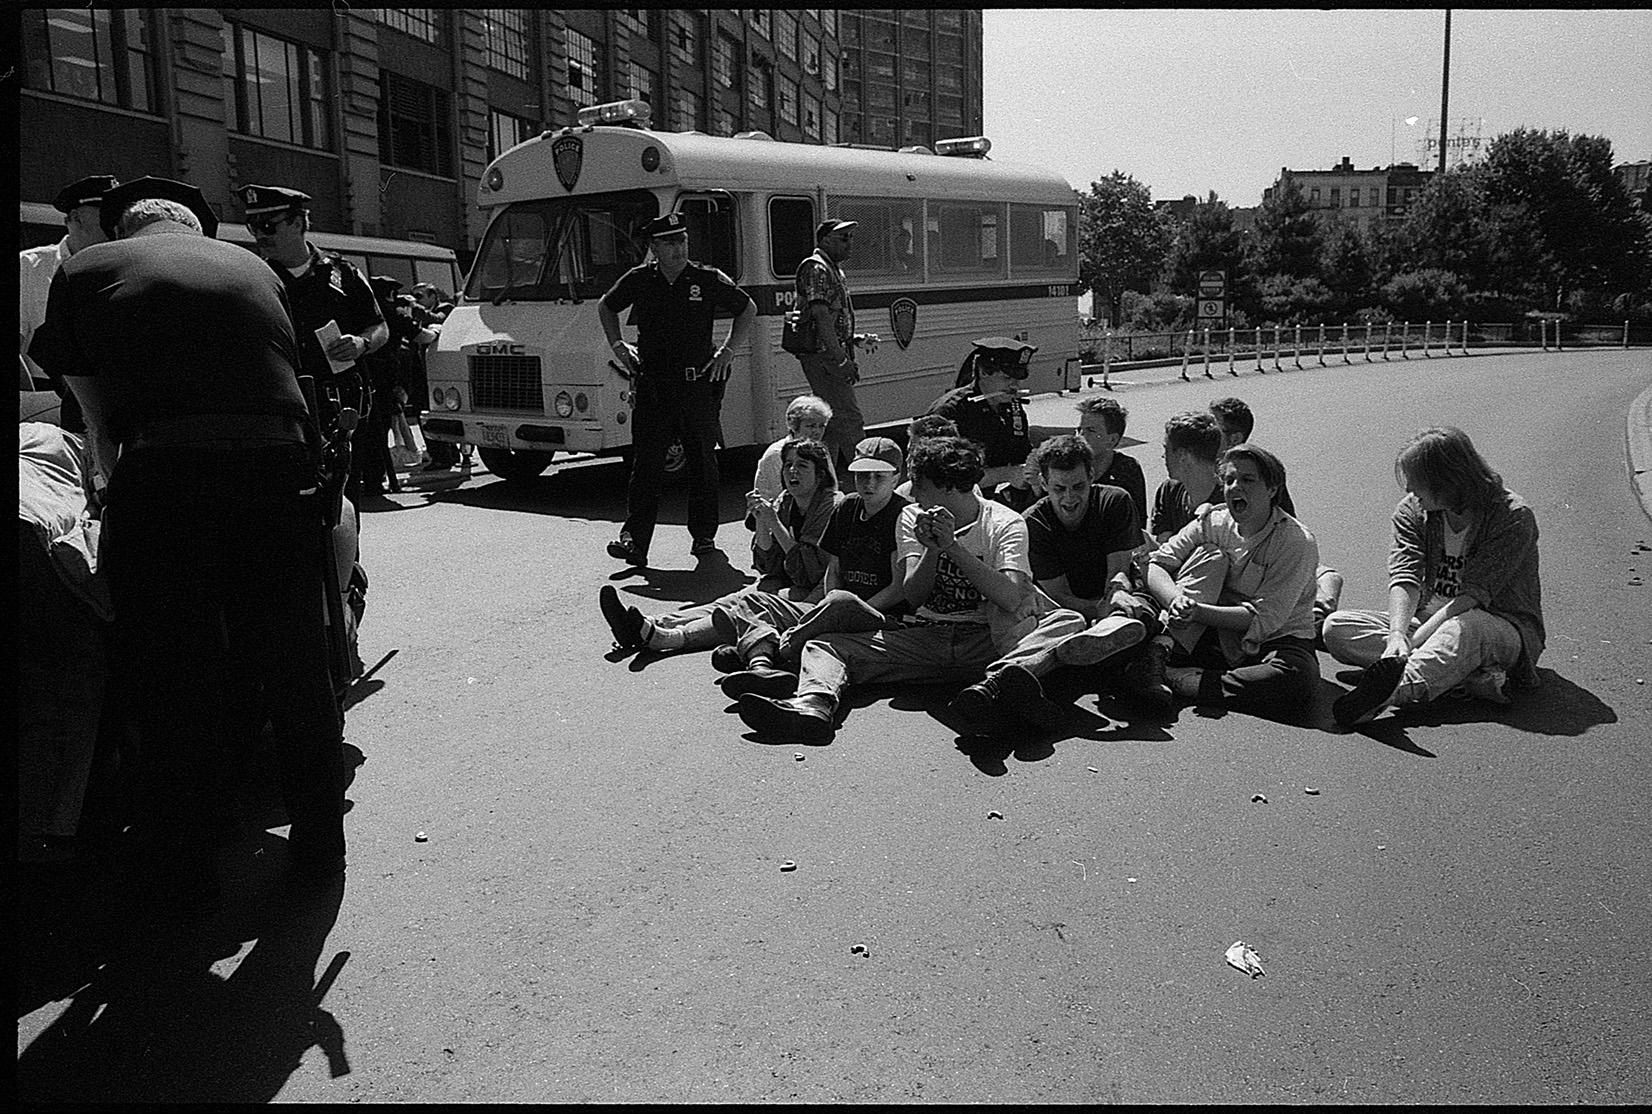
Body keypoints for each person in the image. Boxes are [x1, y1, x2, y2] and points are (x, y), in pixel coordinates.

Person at [29, 177, 346, 904]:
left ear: (122, 231)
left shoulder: (85, 268)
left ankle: (192, 850)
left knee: (177, 668)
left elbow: (97, 415)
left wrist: (111, 486)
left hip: (169, 470)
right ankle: (322, 846)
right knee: (295, 660)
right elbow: (291, 369)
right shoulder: (258, 269)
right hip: (279, 468)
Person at [737, 436, 1034, 744]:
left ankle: (998, 701)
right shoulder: (911, 516)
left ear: (946, 486)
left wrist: (953, 548)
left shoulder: (1004, 523)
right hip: (926, 636)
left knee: (1041, 636)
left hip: (985, 641)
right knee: (826, 645)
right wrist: (933, 550)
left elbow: (1011, 597)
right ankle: (813, 705)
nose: (913, 492)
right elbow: (915, 595)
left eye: (919, 484)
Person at [1322, 427, 1544, 727]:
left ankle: (1391, 690)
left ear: (1447, 479)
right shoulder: (1413, 511)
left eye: (1417, 483)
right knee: (1337, 627)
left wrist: (1417, 640)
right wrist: (1397, 637)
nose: (1409, 490)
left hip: (1495, 626)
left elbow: (1474, 595)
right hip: (1426, 621)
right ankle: (1462, 676)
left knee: (1467, 629)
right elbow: (1405, 575)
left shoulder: (1512, 516)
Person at [945, 435, 1148, 733]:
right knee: (1067, 627)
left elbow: (1116, 574)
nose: (1069, 499)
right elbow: (1060, 595)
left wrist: (1116, 598)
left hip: (1111, 610)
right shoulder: (1033, 522)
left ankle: (994, 691)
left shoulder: (1115, 501)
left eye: (1078, 487)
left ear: (1092, 476)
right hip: (1070, 614)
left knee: (1137, 615)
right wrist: (1092, 616)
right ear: (1043, 482)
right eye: (1059, 489)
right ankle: (1014, 697)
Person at [600, 211, 757, 566]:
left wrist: (728, 350)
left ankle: (703, 537)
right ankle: (634, 542)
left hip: (695, 385)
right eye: (669, 242)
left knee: (702, 462)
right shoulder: (641, 279)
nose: (678, 248)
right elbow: (607, 307)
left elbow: (747, 307)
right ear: (653, 247)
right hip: (653, 385)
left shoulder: (705, 278)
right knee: (646, 467)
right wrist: (618, 346)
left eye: (682, 240)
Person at [599, 437, 838, 657]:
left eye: (802, 466)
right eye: (787, 465)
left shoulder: (830, 507)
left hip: (816, 590)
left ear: (820, 475)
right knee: (729, 600)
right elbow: (767, 565)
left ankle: (671, 638)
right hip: (787, 580)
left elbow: (810, 571)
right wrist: (763, 522)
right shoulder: (785, 501)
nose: (792, 471)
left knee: (745, 608)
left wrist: (773, 522)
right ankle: (650, 623)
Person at [713, 436, 912, 699]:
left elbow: (899, 588)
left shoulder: (904, 515)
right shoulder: (848, 506)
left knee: (840, 602)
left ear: (896, 478)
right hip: (833, 605)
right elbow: (833, 569)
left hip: (878, 612)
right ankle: (760, 666)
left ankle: (774, 651)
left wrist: (842, 608)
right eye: (862, 475)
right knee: (754, 600)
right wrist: (827, 605)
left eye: (879, 476)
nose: (869, 483)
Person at [1143, 443, 1321, 718]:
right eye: (1229, 480)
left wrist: (1198, 612)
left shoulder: (1295, 541)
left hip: (1275, 638)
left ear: (1272, 489)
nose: (1235, 487)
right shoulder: (1213, 522)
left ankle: (1186, 682)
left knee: (1297, 679)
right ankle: (1163, 652)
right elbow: (1159, 563)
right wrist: (1175, 601)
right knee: (1210, 555)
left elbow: (1263, 618)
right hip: (1210, 631)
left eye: (1248, 480)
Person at [242, 184, 388, 517]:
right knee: (289, 499)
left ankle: (344, 564)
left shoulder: (343, 272)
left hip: (339, 403)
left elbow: (379, 326)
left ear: (297, 223)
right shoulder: (256, 277)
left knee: (343, 500)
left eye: (268, 226)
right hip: (284, 404)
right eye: (253, 228)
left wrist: (361, 343)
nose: (260, 236)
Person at [1206, 396, 1345, 626]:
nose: (1205, 431)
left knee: (1311, 574)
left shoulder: (1261, 476)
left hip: (1255, 563)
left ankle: (1319, 608)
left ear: (1235, 438)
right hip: (1230, 561)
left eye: (1213, 427)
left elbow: (1287, 532)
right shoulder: (1200, 468)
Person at [20, 174, 120, 429]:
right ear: (76, 218)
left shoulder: (126, 265)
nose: (118, 222)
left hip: (114, 402)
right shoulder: (28, 267)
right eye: (108, 213)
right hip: (46, 405)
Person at [794, 218, 874, 473]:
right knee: (850, 420)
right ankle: (868, 477)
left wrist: (854, 339)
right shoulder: (816, 268)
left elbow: (832, 320)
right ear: (825, 241)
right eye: (843, 238)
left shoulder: (833, 269)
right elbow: (820, 315)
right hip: (825, 358)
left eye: (850, 238)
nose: (849, 244)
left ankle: (821, 480)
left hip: (830, 354)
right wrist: (841, 359)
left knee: (828, 424)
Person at [927, 337, 1046, 500]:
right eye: (1006, 378)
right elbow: (941, 475)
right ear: (983, 372)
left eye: (1017, 379)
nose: (1014, 386)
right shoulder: (951, 411)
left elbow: (1020, 452)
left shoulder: (1011, 407)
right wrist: (1006, 474)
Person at [1074, 396, 1148, 533]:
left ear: (1112, 440)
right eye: (1080, 430)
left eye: (1091, 430)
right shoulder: (1067, 466)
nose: (1081, 437)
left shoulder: (1127, 470)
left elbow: (1138, 524)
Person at [1151, 411, 1225, 543]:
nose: (1164, 457)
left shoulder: (1227, 503)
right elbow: (1164, 547)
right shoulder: (1168, 491)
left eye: (1166, 450)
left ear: (1183, 456)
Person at [753, 394, 832, 504]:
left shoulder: (820, 450)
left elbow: (831, 487)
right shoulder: (776, 454)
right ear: (794, 426)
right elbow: (781, 497)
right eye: (811, 426)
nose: (817, 432)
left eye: (821, 426)